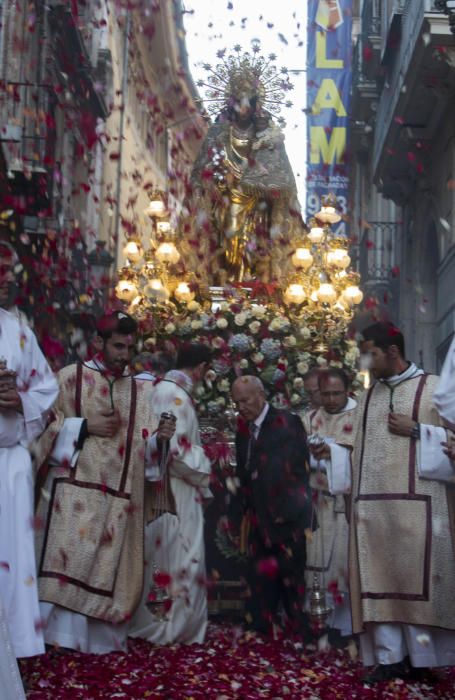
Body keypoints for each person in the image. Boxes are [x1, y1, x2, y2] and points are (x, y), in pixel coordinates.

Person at [311, 322, 455, 683]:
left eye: (370, 353)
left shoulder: (435, 389)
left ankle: (422, 661)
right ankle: (390, 658)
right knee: (378, 586)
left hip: (422, 508)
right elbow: (360, 451)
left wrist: (419, 430)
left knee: (417, 587)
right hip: (372, 509)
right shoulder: (370, 395)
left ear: (392, 351)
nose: (364, 362)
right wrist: (331, 452)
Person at [33, 311, 175, 654]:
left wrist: (162, 440)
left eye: (128, 347)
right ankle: (56, 639)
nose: (124, 354)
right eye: (117, 346)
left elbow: (148, 446)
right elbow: (41, 430)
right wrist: (83, 426)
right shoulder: (69, 378)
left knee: (104, 565)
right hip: (73, 491)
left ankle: (94, 643)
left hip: (121, 495)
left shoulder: (144, 388)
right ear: (98, 342)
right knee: (68, 561)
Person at [180, 51, 300, 285]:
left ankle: (248, 283)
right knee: (230, 236)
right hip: (225, 199)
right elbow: (201, 172)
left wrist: (259, 183)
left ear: (255, 103)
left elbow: (280, 177)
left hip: (257, 202)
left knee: (253, 243)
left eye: (249, 100)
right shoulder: (218, 132)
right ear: (232, 102)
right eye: (239, 99)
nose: (244, 106)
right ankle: (227, 282)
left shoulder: (267, 135)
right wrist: (215, 182)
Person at [129, 343, 212, 645]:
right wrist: (206, 463)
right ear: (202, 368)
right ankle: (171, 629)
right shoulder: (173, 392)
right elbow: (172, 448)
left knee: (175, 556)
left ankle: (172, 626)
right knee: (182, 556)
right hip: (175, 491)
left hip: (171, 487)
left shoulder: (168, 388)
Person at [0, 241, 59, 660]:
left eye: (7, 271)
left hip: (8, 461)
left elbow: (46, 388)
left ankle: (14, 645)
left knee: (12, 556)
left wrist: (17, 401)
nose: (5, 279)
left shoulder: (18, 330)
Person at [231, 375, 313, 638]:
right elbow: (244, 471)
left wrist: (285, 512)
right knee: (261, 579)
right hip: (258, 517)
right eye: (236, 402)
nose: (241, 407)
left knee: (291, 580)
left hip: (285, 517)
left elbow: (296, 469)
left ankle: (298, 634)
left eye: (245, 400)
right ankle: (262, 629)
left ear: (260, 395)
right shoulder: (243, 429)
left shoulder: (286, 421)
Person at [302, 368, 357, 641]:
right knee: (319, 560)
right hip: (318, 503)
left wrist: (333, 452)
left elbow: (365, 456)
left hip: (349, 503)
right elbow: (298, 457)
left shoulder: (360, 416)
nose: (332, 400)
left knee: (346, 564)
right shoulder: (310, 418)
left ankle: (348, 627)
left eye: (337, 393)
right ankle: (320, 621)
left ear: (348, 390)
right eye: (326, 394)